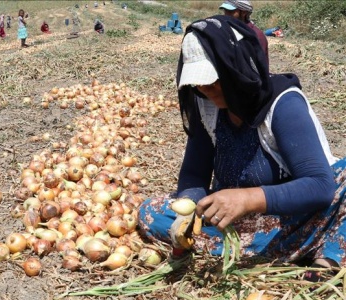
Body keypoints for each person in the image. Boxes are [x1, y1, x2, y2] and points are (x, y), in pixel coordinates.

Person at [137, 15, 345, 281]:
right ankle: (277, 251)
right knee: (150, 210)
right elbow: (194, 172)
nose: (205, 87)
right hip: (241, 226)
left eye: (214, 77)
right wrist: (189, 208)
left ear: (236, 67)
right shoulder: (206, 105)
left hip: (301, 217)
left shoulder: (284, 104)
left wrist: (247, 199)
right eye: (198, 80)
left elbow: (320, 186)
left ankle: (328, 260)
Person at [219, 0, 269, 68]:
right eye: (225, 11)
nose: (226, 15)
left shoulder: (256, 35)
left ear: (244, 13)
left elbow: (260, 65)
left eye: (231, 12)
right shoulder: (226, 30)